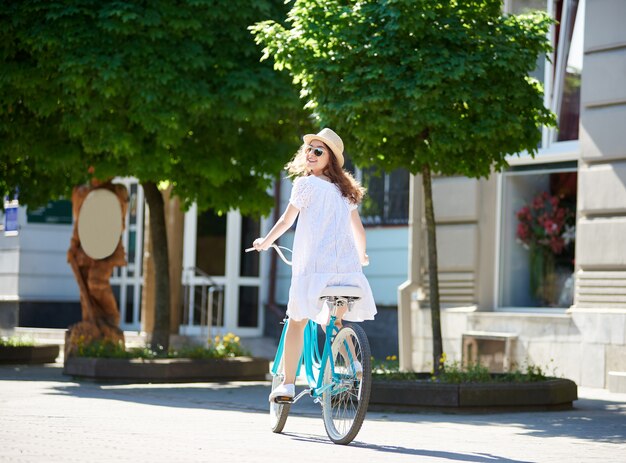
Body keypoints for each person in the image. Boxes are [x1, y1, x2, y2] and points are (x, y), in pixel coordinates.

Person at [252, 128, 377, 402]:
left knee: (297, 321)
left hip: (313, 269)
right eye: (308, 149)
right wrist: (363, 255)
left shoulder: (305, 184)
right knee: (334, 321)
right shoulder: (346, 192)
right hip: (348, 273)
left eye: (318, 151)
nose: (310, 154)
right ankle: (354, 364)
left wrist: (264, 241)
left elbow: (286, 221)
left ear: (329, 158)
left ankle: (286, 385)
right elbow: (359, 232)